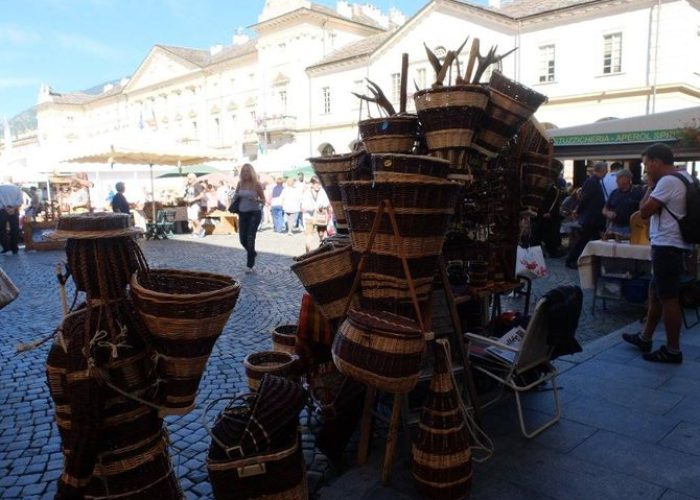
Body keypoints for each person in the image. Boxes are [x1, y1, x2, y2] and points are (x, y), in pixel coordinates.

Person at [622, 143, 693, 363]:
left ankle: (673, 351)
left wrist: (650, 186)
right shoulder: (686, 177)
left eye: (646, 165)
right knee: (656, 293)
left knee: (669, 298)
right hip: (676, 244)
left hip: (667, 245)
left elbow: (643, 211)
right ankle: (645, 337)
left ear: (656, 162)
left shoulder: (667, 181)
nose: (645, 170)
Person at [565, 161, 608, 269]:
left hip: (594, 218)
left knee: (589, 240)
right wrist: (578, 212)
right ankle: (572, 260)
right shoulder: (592, 182)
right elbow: (584, 199)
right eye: (606, 170)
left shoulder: (596, 181)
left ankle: (587, 261)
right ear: (602, 170)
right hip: (591, 218)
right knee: (583, 240)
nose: (607, 172)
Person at [232, 163, 265, 273]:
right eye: (243, 171)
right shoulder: (239, 183)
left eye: (247, 171)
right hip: (242, 213)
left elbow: (264, 200)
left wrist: (256, 200)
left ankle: (250, 265)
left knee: (250, 239)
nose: (245, 173)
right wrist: (235, 196)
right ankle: (252, 253)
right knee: (242, 240)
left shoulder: (257, 184)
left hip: (254, 214)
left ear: (251, 172)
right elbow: (235, 196)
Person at [601, 169, 643, 239]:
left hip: (631, 228)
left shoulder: (638, 192)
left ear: (628, 179)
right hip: (615, 228)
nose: (616, 181)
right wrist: (608, 213)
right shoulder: (614, 193)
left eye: (619, 178)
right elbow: (604, 209)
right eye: (617, 179)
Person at [301, 176, 330, 252]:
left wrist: (321, 206)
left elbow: (326, 203)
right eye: (316, 184)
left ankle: (323, 251)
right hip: (309, 217)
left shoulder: (322, 191)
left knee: (322, 235)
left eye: (319, 184)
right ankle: (308, 253)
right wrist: (314, 208)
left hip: (320, 217)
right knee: (309, 236)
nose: (318, 186)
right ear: (312, 184)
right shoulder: (307, 193)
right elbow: (304, 206)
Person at [0, 177, 23, 254]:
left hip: (2, 210)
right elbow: (20, 201)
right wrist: (13, 208)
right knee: (15, 229)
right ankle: (14, 248)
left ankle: (6, 248)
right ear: (11, 180)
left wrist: (5, 208)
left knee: (2, 230)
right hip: (14, 210)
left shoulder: (0, 188)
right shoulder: (17, 188)